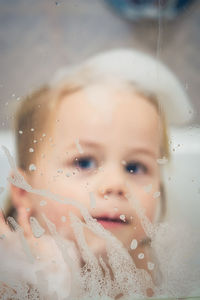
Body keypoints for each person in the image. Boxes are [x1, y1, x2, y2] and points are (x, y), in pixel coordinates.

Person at [0, 49, 194, 299]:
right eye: (84, 162)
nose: (115, 184)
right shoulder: (15, 270)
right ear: (24, 193)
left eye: (135, 167)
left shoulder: (149, 265)